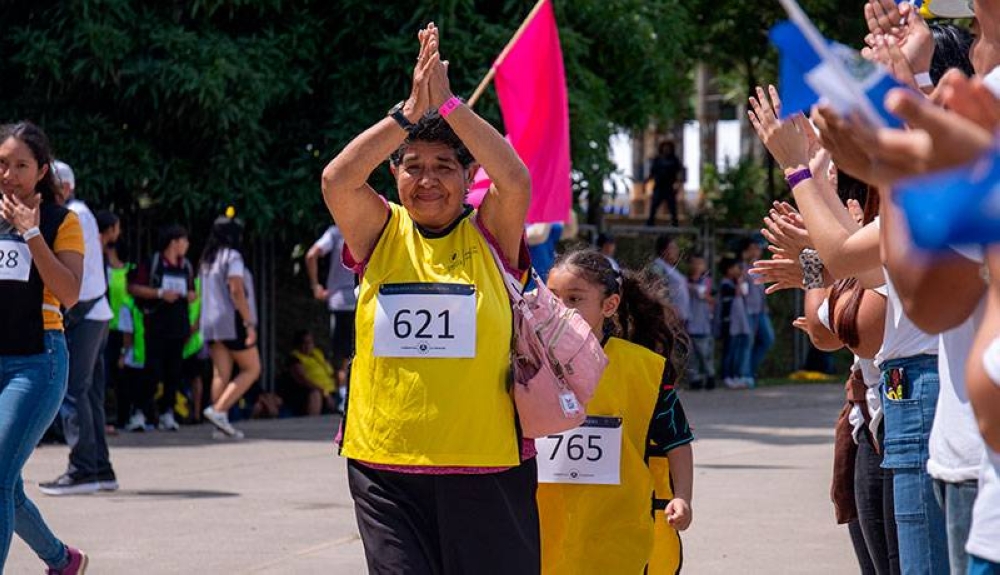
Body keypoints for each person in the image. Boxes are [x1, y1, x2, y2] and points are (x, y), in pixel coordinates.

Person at [322, 24, 537, 574]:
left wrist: (449, 106)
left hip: (484, 462)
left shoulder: (490, 233)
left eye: (444, 167)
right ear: (394, 173)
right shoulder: (381, 232)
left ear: (468, 178)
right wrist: (407, 113)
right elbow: (337, 179)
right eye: (413, 165)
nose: (427, 179)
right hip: (384, 463)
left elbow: (514, 179)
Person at [537, 249, 693, 574]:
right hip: (541, 522)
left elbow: (676, 439)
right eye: (553, 298)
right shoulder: (525, 359)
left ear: (609, 305)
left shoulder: (644, 370)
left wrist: (683, 497)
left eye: (574, 299)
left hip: (617, 523)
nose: (561, 309)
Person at [0, 121, 89, 572]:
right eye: (1, 164)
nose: (9, 174)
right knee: (5, 484)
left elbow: (70, 292)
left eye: (20, 165)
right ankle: (62, 560)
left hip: (36, 364)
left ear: (41, 170)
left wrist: (31, 233)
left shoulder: (61, 221)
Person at [40, 160, 117, 496]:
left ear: (65, 187)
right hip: (93, 312)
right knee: (90, 393)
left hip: (85, 313)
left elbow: (77, 272)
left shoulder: (74, 214)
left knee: (73, 390)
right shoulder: (82, 213)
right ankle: (100, 468)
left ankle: (83, 468)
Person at [128, 224, 196, 432]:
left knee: (174, 373)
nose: (187, 245)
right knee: (152, 370)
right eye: (184, 240)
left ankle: (168, 412)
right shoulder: (153, 263)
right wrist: (159, 293)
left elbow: (193, 291)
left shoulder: (186, 266)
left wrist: (191, 296)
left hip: (179, 327)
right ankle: (139, 412)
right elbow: (133, 287)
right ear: (174, 242)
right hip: (157, 325)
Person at [199, 213, 259, 440]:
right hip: (231, 320)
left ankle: (219, 424)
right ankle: (219, 410)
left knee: (220, 374)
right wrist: (249, 322)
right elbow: (236, 290)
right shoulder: (232, 257)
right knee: (252, 368)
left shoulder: (208, 259)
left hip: (211, 322)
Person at [305, 223, 356, 405]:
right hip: (364, 299)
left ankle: (343, 396)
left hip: (340, 301)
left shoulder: (336, 232)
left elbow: (311, 254)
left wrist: (315, 286)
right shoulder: (368, 227)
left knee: (341, 354)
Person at [740, 237, 774, 383]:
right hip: (747, 310)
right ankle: (745, 375)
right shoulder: (741, 266)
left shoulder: (758, 267)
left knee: (768, 339)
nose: (758, 251)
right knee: (747, 342)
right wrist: (745, 261)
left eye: (759, 248)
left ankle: (750, 369)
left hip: (760, 311)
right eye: (755, 248)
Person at [716, 257, 752, 389]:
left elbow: (744, 293)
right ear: (729, 270)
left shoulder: (734, 283)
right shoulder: (725, 284)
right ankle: (726, 377)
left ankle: (735, 376)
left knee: (736, 351)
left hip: (739, 324)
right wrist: (740, 280)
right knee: (729, 352)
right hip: (730, 324)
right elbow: (736, 292)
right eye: (736, 268)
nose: (739, 270)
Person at [286, 330, 339, 416]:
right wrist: (324, 392)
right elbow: (302, 379)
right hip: (313, 393)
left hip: (331, 390)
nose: (308, 346)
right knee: (315, 394)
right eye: (305, 343)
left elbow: (331, 371)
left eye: (310, 342)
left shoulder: (317, 354)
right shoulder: (295, 358)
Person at [686, 254, 715, 390]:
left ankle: (710, 376)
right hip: (690, 322)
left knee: (705, 352)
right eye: (694, 263)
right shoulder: (684, 281)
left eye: (700, 264)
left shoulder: (707, 281)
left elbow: (711, 298)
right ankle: (695, 379)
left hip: (703, 322)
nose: (697, 267)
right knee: (692, 355)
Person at [648, 234, 690, 324]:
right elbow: (655, 290)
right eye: (673, 248)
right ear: (663, 251)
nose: (677, 251)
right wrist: (669, 307)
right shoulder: (658, 266)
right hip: (668, 318)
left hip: (678, 318)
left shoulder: (670, 268)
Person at [645, 141, 684, 227]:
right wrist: (647, 181)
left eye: (668, 148)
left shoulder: (674, 160)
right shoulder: (657, 159)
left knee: (672, 206)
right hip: (659, 186)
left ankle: (674, 223)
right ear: (661, 148)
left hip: (669, 187)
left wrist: (678, 185)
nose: (666, 149)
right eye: (665, 147)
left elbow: (680, 173)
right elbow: (652, 172)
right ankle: (650, 222)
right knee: (654, 205)